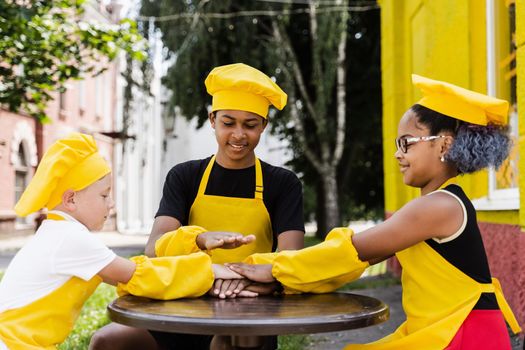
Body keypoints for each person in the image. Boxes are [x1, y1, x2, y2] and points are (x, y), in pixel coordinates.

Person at [228, 74, 522, 349]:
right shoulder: (436, 205)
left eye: (405, 143)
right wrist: (278, 280)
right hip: (445, 330)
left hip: (463, 335)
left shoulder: (439, 207)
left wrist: (273, 269)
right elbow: (349, 260)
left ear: (443, 143)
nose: (398, 153)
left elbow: (358, 249)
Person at [90, 63, 305, 350]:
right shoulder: (185, 176)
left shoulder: (282, 183)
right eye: (228, 123)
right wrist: (200, 239)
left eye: (250, 125)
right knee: (106, 342)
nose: (239, 135)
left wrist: (247, 283)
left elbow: (292, 258)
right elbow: (155, 247)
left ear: (263, 126)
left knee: (230, 343)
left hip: (248, 304)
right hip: (183, 300)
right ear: (212, 120)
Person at [0, 133, 250, 350]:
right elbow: (135, 275)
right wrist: (210, 271)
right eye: (104, 195)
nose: (111, 204)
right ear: (71, 199)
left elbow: (132, 276)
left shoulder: (57, 232)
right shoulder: (69, 237)